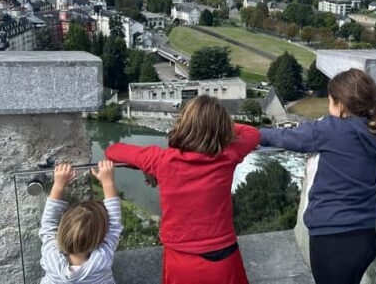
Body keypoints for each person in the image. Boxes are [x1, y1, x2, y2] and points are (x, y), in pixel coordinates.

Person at [259, 68, 376, 284]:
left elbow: (289, 137)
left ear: (340, 103)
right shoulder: (375, 130)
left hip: (333, 240)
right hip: (366, 238)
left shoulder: (331, 129)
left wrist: (254, 134)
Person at [105, 95, 260, 284]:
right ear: (222, 128)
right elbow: (252, 133)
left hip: (180, 259)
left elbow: (113, 151)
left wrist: (147, 167)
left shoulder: (160, 160)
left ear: (183, 124)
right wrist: (216, 126)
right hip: (223, 256)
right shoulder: (228, 155)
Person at [39, 160, 123, 284]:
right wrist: (107, 181)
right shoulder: (102, 259)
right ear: (100, 237)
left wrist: (58, 185)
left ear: (62, 230)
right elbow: (115, 225)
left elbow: (48, 223)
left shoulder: (51, 257)